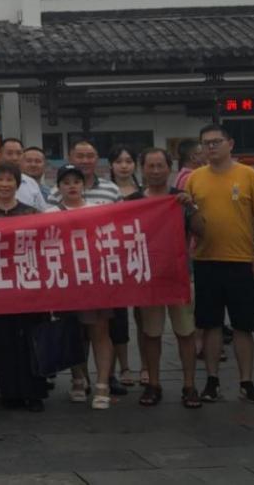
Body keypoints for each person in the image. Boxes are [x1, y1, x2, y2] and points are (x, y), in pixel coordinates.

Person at [186, 123, 254, 404]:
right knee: (210, 325)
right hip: (206, 261)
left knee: (243, 326)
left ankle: (247, 382)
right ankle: (212, 381)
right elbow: (186, 218)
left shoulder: (249, 175)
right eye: (206, 143)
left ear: (230, 144)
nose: (211, 147)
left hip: (242, 262)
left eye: (216, 142)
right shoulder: (195, 178)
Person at [130, 148, 205, 408]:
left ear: (169, 168)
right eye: (150, 166)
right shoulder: (132, 202)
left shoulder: (180, 199)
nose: (155, 171)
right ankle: (153, 384)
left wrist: (192, 206)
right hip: (148, 279)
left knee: (185, 333)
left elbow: (202, 230)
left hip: (178, 276)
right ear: (142, 169)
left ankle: (189, 386)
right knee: (151, 334)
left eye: (160, 165)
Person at [47, 164, 115, 410]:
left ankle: (102, 384)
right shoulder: (49, 214)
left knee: (99, 332)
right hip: (65, 284)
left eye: (76, 182)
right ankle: (78, 378)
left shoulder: (98, 210)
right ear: (59, 187)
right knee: (72, 333)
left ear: (83, 185)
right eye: (66, 182)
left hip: (94, 282)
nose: (72, 186)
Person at [0, 162, 47, 412]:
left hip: (29, 286)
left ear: (17, 184)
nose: (5, 184)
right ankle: (9, 393)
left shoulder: (32, 214)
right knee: (4, 341)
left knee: (31, 340)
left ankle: (34, 393)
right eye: (0, 180)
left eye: (10, 180)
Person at [107, 145, 141, 394]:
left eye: (128, 161)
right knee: (116, 318)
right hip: (112, 261)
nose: (124, 165)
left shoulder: (144, 193)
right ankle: (119, 368)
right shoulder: (105, 191)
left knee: (142, 317)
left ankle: (140, 367)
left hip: (136, 258)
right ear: (111, 165)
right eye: (119, 161)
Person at [46, 140, 121, 207]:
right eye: (80, 156)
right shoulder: (56, 193)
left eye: (90, 156)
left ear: (97, 159)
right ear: (70, 159)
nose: (85, 161)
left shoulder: (112, 189)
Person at [0, 138, 47, 211]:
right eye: (9, 153)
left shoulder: (31, 183)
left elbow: (42, 212)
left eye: (19, 153)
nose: (14, 158)